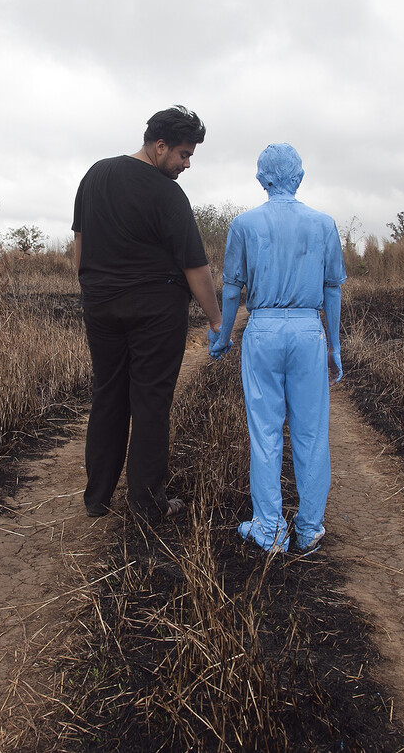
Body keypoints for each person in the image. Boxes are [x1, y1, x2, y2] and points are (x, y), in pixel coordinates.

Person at [73, 105, 224, 524]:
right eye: (183, 154)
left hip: (100, 306)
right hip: (155, 313)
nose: (186, 164)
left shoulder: (95, 175)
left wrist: (90, 288)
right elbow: (196, 266)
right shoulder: (166, 193)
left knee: (108, 395)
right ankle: (147, 501)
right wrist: (216, 319)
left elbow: (80, 241)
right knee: (151, 400)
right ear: (160, 147)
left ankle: (97, 498)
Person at [209, 143, 345, 553]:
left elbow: (232, 289)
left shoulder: (244, 225)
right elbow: (332, 289)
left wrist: (223, 335)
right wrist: (334, 346)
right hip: (308, 330)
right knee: (311, 433)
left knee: (265, 431)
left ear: (262, 179)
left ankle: (269, 528)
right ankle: (308, 528)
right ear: (298, 178)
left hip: (263, 330)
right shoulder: (324, 224)